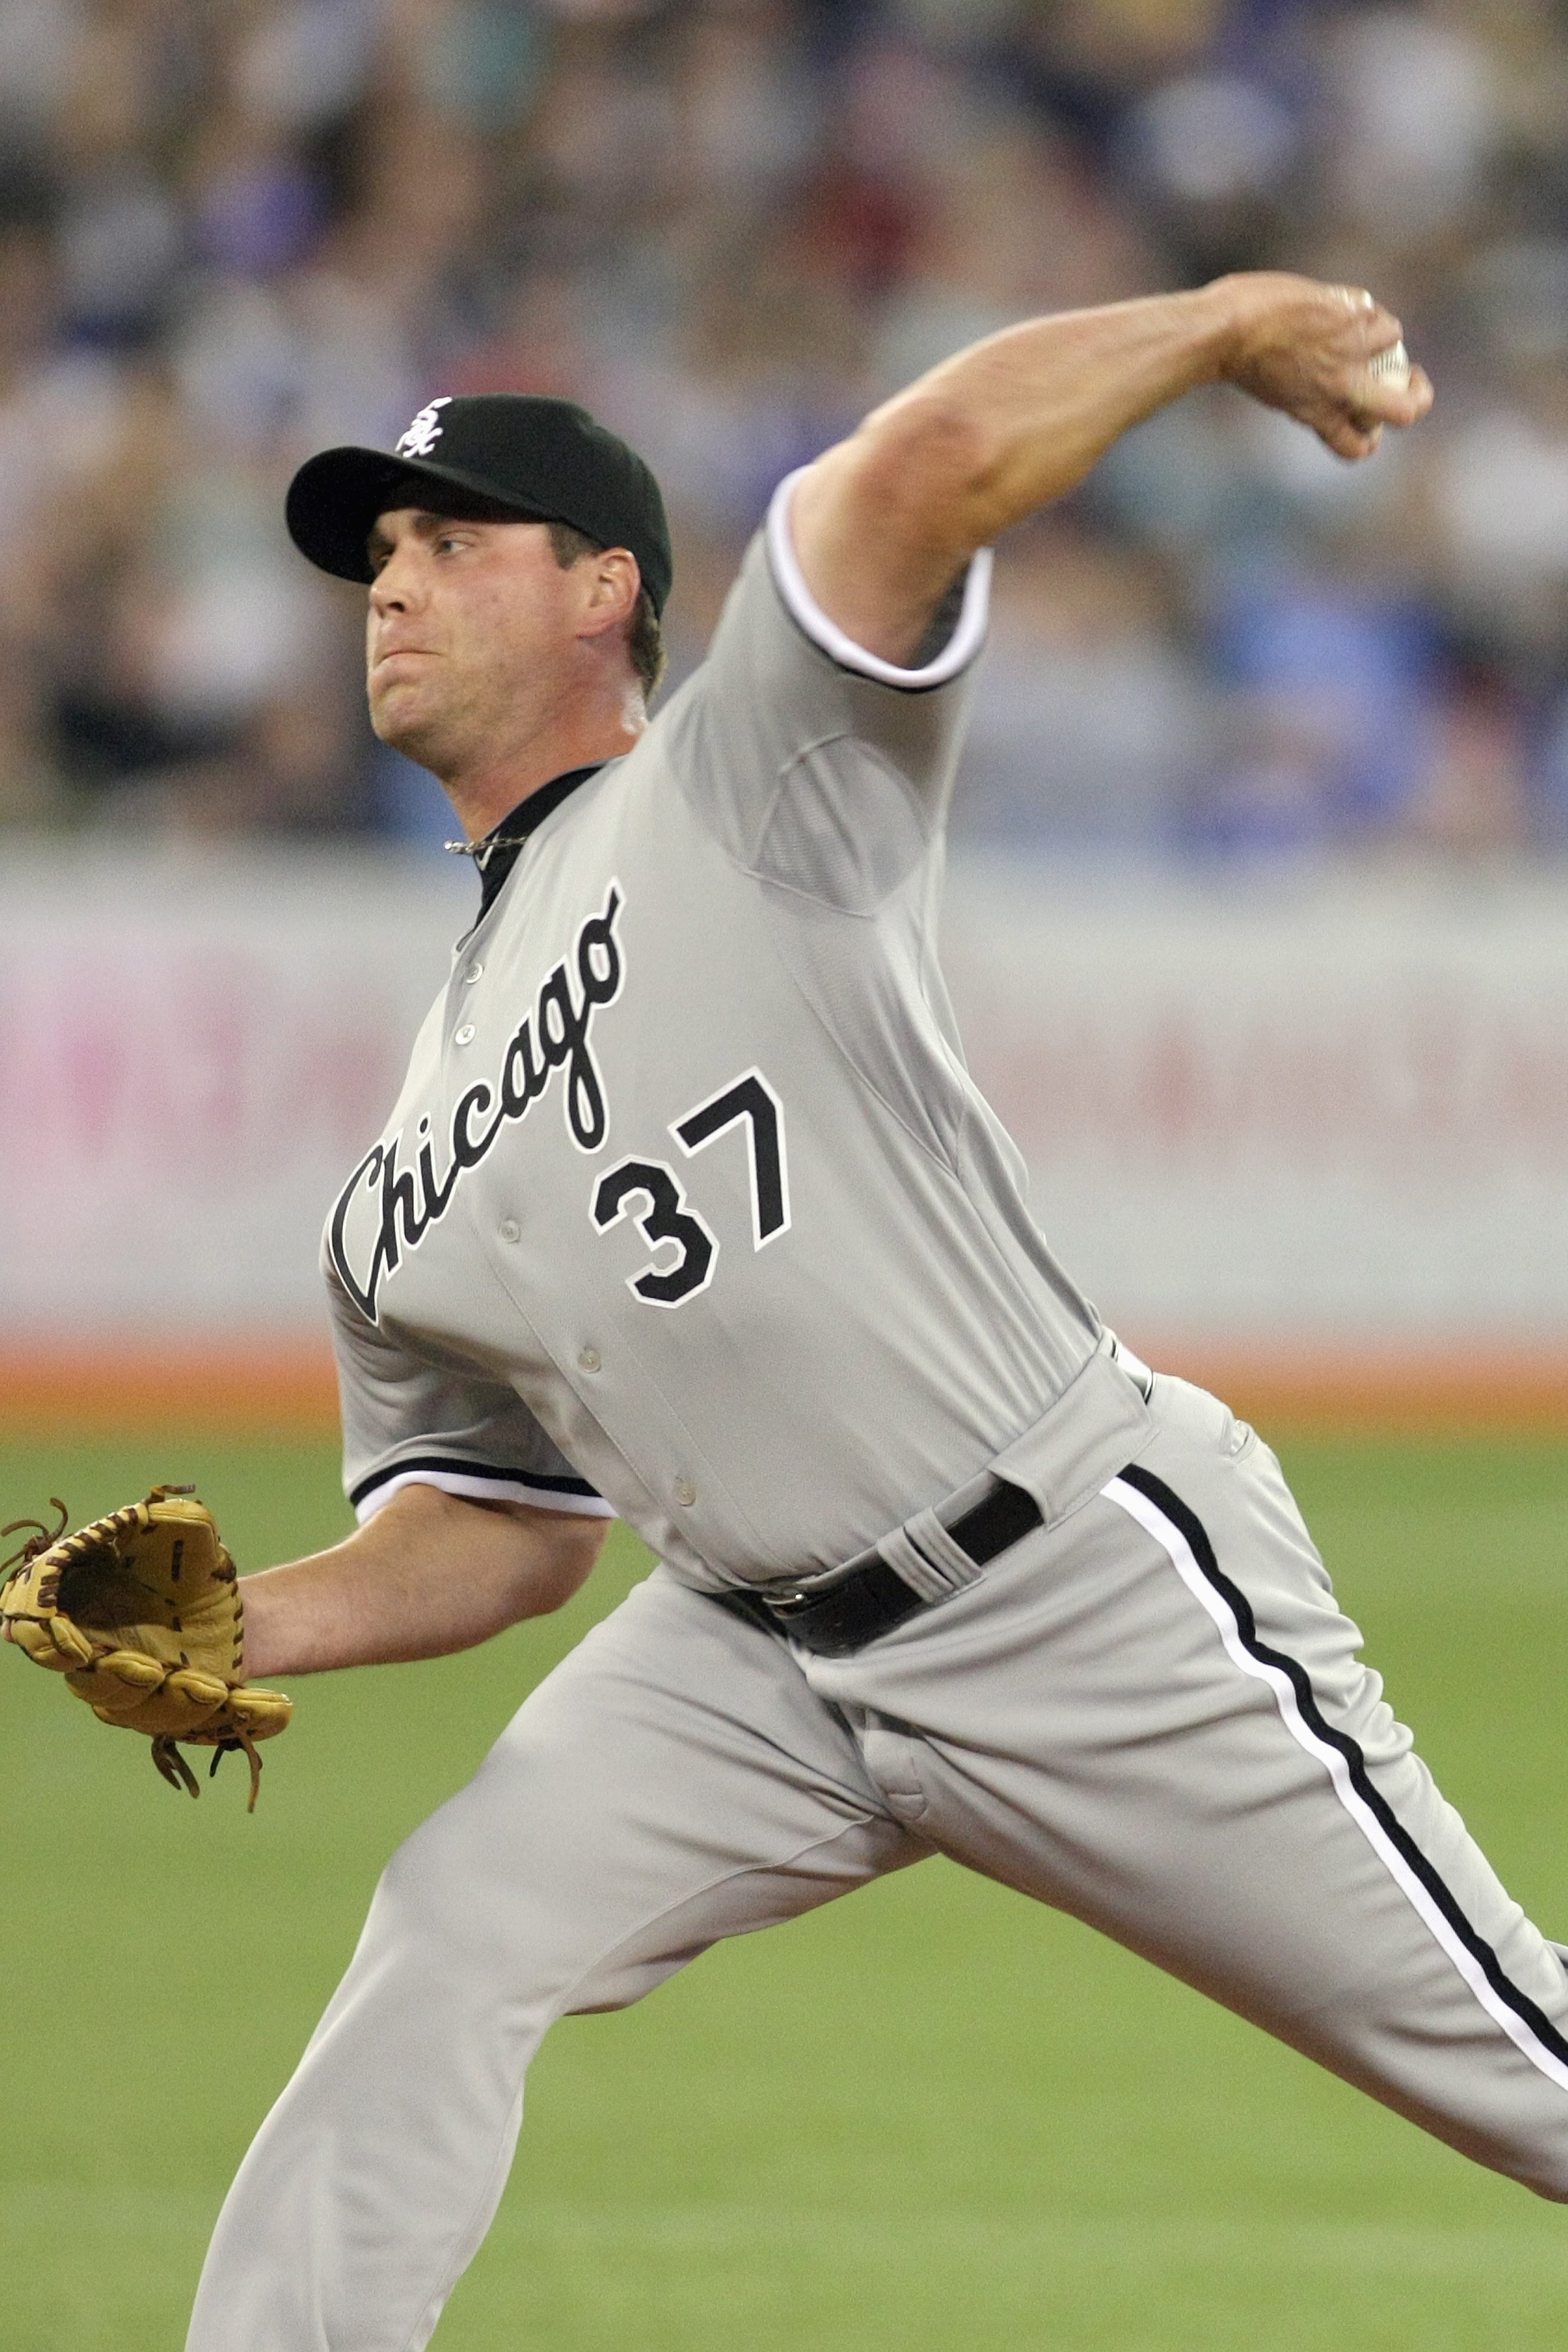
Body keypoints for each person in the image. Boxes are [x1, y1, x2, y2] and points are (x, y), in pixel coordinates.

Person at [188, 275, 1567, 2352]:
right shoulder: (405, 1165)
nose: (392, 588)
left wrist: (1217, 324)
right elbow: (502, 1532)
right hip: (745, 1661)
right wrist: (242, 1625)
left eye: (450, 541)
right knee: (452, 1929)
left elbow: (911, 476)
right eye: (379, 557)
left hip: (1066, 1582)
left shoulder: (749, 780)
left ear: (603, 591)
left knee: (1525, 2073)